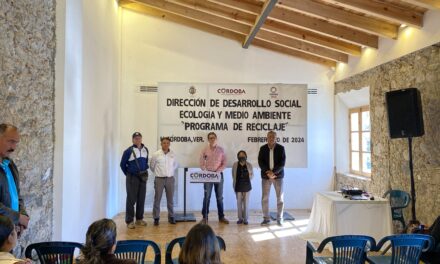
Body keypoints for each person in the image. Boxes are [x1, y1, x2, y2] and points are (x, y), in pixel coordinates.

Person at [0, 124, 29, 235]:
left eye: (16, 143)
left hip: (10, 233)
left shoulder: (10, 164)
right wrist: (17, 217)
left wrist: (23, 217)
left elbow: (17, 195)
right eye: (10, 141)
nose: (14, 147)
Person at [120, 132, 149, 229]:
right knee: (131, 199)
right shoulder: (128, 151)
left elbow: (146, 162)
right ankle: (129, 221)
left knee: (141, 199)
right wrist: (129, 174)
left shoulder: (146, 150)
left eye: (139, 138)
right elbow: (122, 165)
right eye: (135, 138)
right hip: (132, 177)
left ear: (141, 139)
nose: (138, 140)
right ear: (132, 140)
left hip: (143, 177)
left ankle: (139, 219)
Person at [199, 132, 229, 224]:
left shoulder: (221, 150)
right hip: (208, 175)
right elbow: (201, 162)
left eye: (214, 138)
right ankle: (205, 217)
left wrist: (218, 171)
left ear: (216, 139)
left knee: (219, 197)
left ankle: (221, 217)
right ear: (208, 140)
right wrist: (205, 170)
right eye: (210, 138)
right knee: (207, 197)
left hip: (218, 175)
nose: (212, 139)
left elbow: (225, 163)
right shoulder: (204, 150)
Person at [258, 131, 286, 226]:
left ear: (276, 138)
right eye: (269, 136)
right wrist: (268, 172)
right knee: (265, 198)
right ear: (267, 138)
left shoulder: (281, 148)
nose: (271, 138)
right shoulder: (262, 148)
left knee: (280, 198)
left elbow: (282, 163)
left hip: (278, 177)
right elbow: (260, 162)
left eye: (273, 137)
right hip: (266, 177)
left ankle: (280, 218)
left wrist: (273, 173)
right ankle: (266, 218)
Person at [149, 137, 178, 225]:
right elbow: (152, 166)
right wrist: (159, 173)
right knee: (157, 199)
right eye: (164, 143)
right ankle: (156, 218)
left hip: (170, 179)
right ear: (161, 144)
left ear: (169, 144)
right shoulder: (156, 154)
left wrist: (170, 172)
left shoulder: (173, 154)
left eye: (167, 143)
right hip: (159, 179)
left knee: (170, 199)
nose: (166, 144)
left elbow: (175, 165)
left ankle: (171, 217)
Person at [231, 150, 253, 225]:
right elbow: (233, 175)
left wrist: (249, 175)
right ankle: (240, 218)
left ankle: (246, 219)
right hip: (238, 186)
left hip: (247, 187)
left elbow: (252, 176)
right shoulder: (235, 165)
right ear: (238, 157)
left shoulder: (249, 165)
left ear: (246, 156)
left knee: (246, 204)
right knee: (239, 204)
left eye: (243, 155)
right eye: (240, 155)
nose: (241, 156)